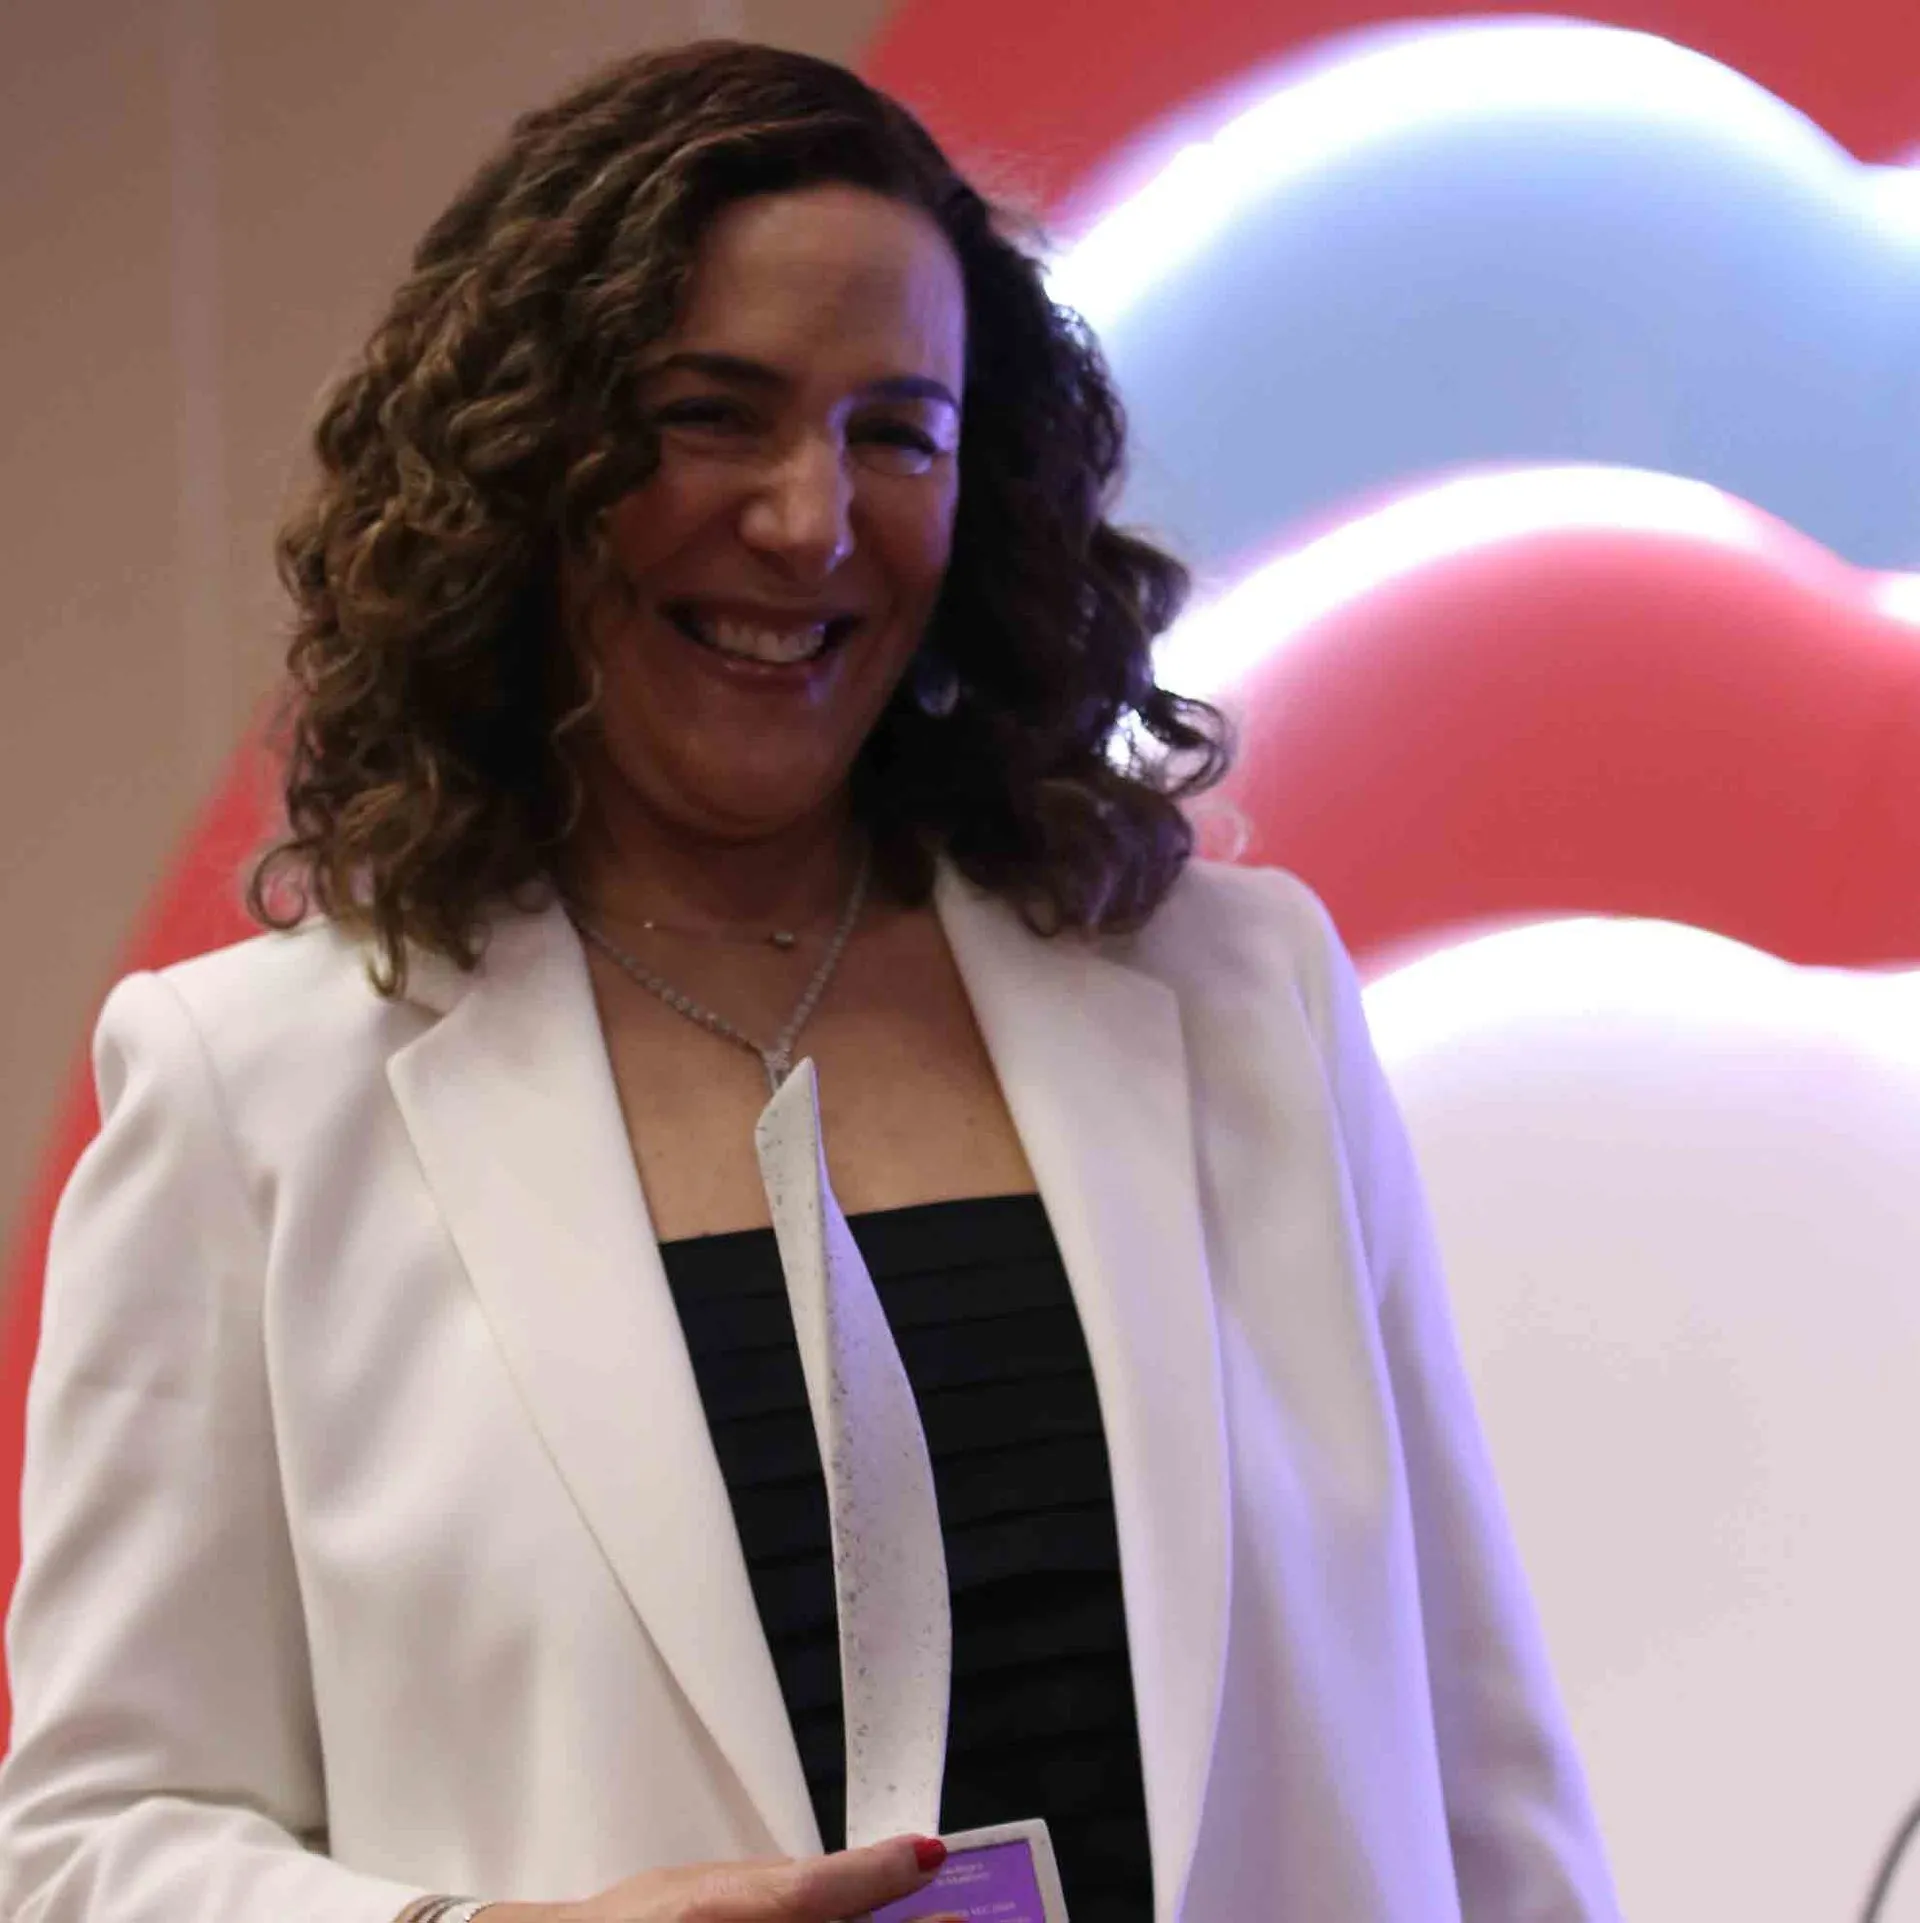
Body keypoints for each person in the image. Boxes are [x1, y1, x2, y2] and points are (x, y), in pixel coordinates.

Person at [0, 39, 1619, 1923]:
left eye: (897, 433)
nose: (807, 517)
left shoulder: (1247, 1002)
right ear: (521, 465)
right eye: (712, 414)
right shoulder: (252, 1095)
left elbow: (1485, 1794)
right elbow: (90, 1847)